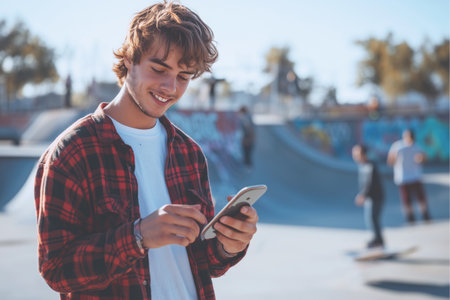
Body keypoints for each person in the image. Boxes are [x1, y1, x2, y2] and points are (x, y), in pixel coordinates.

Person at [34, 2, 259, 300]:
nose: (170, 86)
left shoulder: (189, 154)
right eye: (159, 68)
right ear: (129, 59)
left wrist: (229, 245)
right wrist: (138, 236)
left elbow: (200, 260)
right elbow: (57, 269)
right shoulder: (73, 151)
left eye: (184, 76)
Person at [387, 129, 431, 223]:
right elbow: (390, 160)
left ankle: (425, 215)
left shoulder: (416, 146)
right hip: (403, 177)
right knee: (407, 199)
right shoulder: (398, 146)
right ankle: (410, 217)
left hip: (415, 176)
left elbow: (423, 158)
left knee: (420, 198)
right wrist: (394, 159)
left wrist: (421, 159)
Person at [352, 144, 385, 249]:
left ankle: (378, 240)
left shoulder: (370, 165)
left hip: (376, 197)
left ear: (363, 154)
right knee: (370, 218)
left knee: (373, 218)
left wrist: (362, 195)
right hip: (369, 198)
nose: (355, 156)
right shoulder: (362, 165)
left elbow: (369, 182)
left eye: (357, 154)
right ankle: (377, 239)